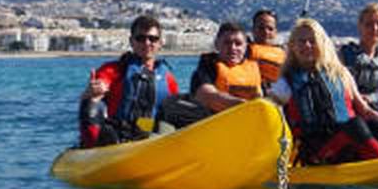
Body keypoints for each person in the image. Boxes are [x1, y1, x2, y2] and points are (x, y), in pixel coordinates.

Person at [269, 18, 378, 165]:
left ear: (322, 44)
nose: (307, 45)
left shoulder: (341, 74)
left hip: (347, 144)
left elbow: (365, 110)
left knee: (374, 123)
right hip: (319, 153)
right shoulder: (285, 84)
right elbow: (268, 116)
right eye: (301, 41)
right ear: (293, 46)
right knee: (355, 125)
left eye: (312, 41)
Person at [79, 15, 179, 148]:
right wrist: (90, 93)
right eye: (140, 38)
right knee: (90, 104)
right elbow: (100, 85)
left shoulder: (168, 78)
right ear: (131, 41)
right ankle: (90, 149)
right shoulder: (113, 70)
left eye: (153, 39)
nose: (147, 43)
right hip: (116, 139)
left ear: (160, 43)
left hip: (151, 140)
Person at [190, 21, 263, 113]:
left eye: (238, 44)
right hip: (218, 119)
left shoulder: (254, 68)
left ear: (246, 47)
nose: (233, 48)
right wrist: (242, 105)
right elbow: (207, 95)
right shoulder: (207, 67)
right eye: (227, 43)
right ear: (217, 44)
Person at [248, 8, 286, 92]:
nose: (266, 32)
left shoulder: (285, 53)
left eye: (270, 29)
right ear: (253, 30)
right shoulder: (242, 52)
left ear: (275, 32)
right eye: (261, 28)